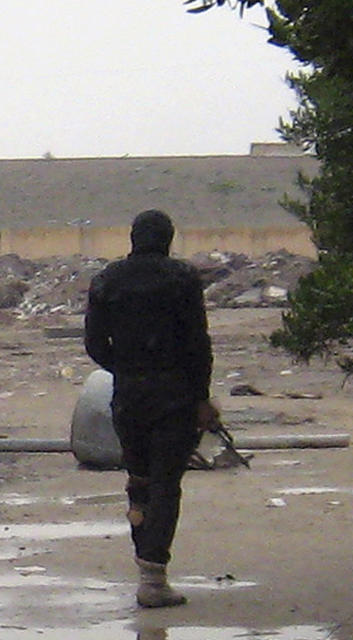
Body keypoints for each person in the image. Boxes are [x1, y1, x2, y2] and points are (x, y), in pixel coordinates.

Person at [84, 210, 218, 608]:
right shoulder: (182, 279)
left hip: (129, 396)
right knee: (165, 484)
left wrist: (125, 368)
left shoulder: (107, 280)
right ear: (168, 239)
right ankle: (153, 578)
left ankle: (145, 566)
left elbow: (93, 344)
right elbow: (198, 343)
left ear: (132, 237)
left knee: (139, 481)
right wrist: (201, 396)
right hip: (174, 395)